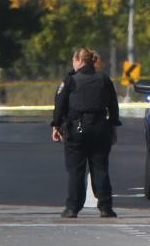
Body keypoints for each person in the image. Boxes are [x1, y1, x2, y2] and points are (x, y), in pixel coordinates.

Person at [51, 48, 120, 218]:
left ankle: (72, 208)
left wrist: (56, 126)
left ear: (79, 61)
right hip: (100, 128)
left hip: (76, 129)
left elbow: (59, 104)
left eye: (73, 61)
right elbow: (113, 105)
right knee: (100, 168)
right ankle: (106, 207)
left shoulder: (70, 80)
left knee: (76, 170)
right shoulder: (104, 79)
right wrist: (112, 126)